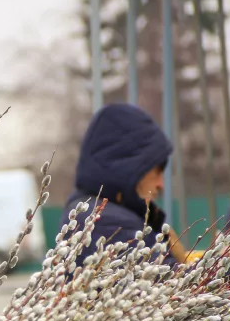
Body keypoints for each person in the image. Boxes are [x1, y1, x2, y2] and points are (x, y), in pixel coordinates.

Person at [59, 102, 189, 268]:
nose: (160, 184)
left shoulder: (94, 214)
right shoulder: (104, 223)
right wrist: (229, 273)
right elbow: (171, 283)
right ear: (129, 166)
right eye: (157, 170)